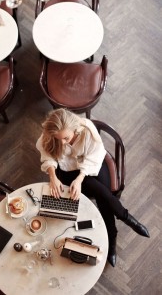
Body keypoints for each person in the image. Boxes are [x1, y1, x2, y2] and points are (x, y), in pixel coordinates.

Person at [36, 108, 150, 267]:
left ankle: (114, 233)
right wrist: (53, 176)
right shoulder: (51, 133)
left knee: (100, 194)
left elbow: (94, 157)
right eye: (58, 139)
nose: (62, 142)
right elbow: (47, 155)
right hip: (68, 170)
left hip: (92, 165)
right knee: (102, 194)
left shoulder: (87, 130)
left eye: (66, 138)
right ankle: (125, 221)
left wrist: (80, 178)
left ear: (75, 129)